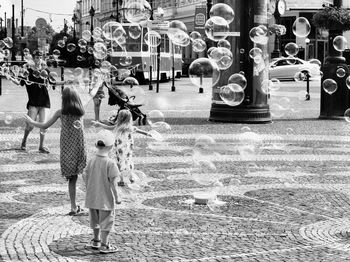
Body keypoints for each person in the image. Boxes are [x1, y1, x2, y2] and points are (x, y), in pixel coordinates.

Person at [23, 86, 87, 215]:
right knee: (85, 176)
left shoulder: (60, 112)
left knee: (72, 179)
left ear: (64, 99)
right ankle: (92, 204)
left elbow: (45, 125)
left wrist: (31, 121)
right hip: (80, 148)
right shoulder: (81, 111)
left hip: (67, 149)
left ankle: (73, 207)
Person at [83, 130, 121, 253]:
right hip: (105, 199)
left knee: (94, 219)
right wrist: (117, 197)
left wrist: (90, 187)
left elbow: (85, 175)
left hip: (92, 197)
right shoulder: (110, 163)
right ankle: (105, 245)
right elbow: (113, 183)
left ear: (96, 145)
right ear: (111, 146)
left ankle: (96, 240)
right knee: (106, 221)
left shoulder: (92, 160)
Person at [92, 109, 151, 184]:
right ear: (129, 118)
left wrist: (99, 124)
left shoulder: (117, 127)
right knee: (127, 161)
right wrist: (149, 134)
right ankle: (131, 177)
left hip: (118, 149)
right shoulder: (130, 128)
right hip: (127, 150)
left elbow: (107, 127)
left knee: (118, 163)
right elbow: (141, 131)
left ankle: (121, 180)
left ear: (119, 118)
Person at [20, 50, 56, 153]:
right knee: (30, 125)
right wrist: (19, 75)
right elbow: (21, 83)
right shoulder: (28, 71)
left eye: (40, 57)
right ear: (33, 58)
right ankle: (24, 140)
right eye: (36, 57)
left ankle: (41, 146)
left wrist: (65, 82)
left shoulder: (45, 71)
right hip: (33, 101)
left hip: (44, 101)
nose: (38, 59)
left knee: (44, 125)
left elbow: (53, 82)